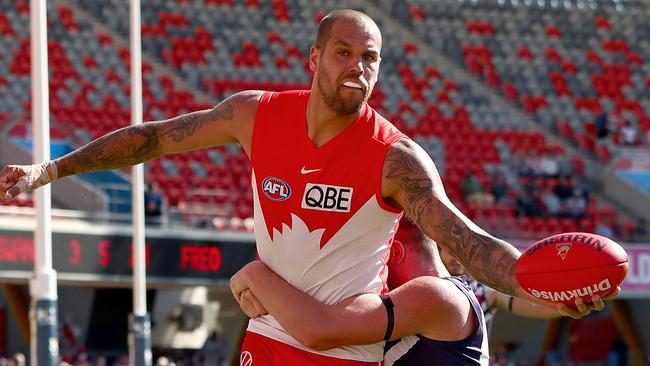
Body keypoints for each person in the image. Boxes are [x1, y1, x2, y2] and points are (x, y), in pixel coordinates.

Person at [0, 9, 612, 365]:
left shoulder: (397, 158)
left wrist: (540, 283)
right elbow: (156, 138)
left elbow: (469, 243)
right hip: (267, 335)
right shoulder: (254, 115)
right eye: (345, 53)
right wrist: (47, 172)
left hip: (342, 347)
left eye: (370, 58)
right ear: (314, 59)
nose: (359, 68)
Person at [230, 218, 604, 365]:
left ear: (392, 252)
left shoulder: (433, 297)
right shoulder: (431, 298)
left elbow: (318, 327)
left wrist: (254, 274)